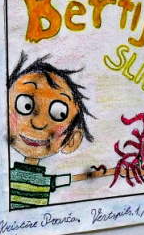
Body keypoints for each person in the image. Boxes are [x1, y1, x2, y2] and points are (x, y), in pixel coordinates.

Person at [6, 53, 101, 209]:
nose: (38, 124)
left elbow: (69, 179)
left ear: (72, 140)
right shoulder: (4, 178)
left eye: (58, 113)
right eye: (25, 105)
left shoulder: (44, 181)